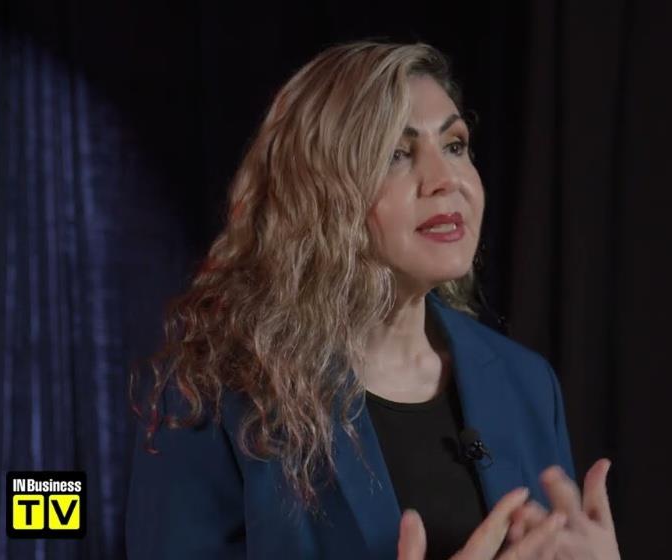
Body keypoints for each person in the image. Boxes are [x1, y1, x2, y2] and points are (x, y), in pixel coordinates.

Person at [125, 40, 620, 559]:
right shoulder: (211, 393)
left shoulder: (527, 384)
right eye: (397, 155)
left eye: (455, 145)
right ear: (319, 195)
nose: (445, 180)